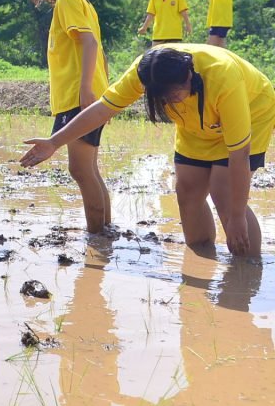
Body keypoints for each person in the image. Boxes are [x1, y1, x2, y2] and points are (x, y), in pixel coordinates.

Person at [21, 44, 274, 258]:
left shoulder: (223, 77)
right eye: (163, 98)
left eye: (174, 94)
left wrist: (237, 216)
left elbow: (239, 154)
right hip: (196, 121)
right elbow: (102, 110)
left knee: (225, 194)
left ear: (188, 76)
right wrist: (54, 142)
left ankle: (247, 272)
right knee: (187, 190)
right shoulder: (146, 72)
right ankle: (203, 258)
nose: (169, 101)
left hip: (251, 111)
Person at [25, 0, 111, 234]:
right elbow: (99, 49)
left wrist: (86, 89)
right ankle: (104, 231)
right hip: (84, 95)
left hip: (78, 96)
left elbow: (89, 43)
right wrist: (103, 93)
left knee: (81, 170)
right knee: (89, 169)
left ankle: (96, 237)